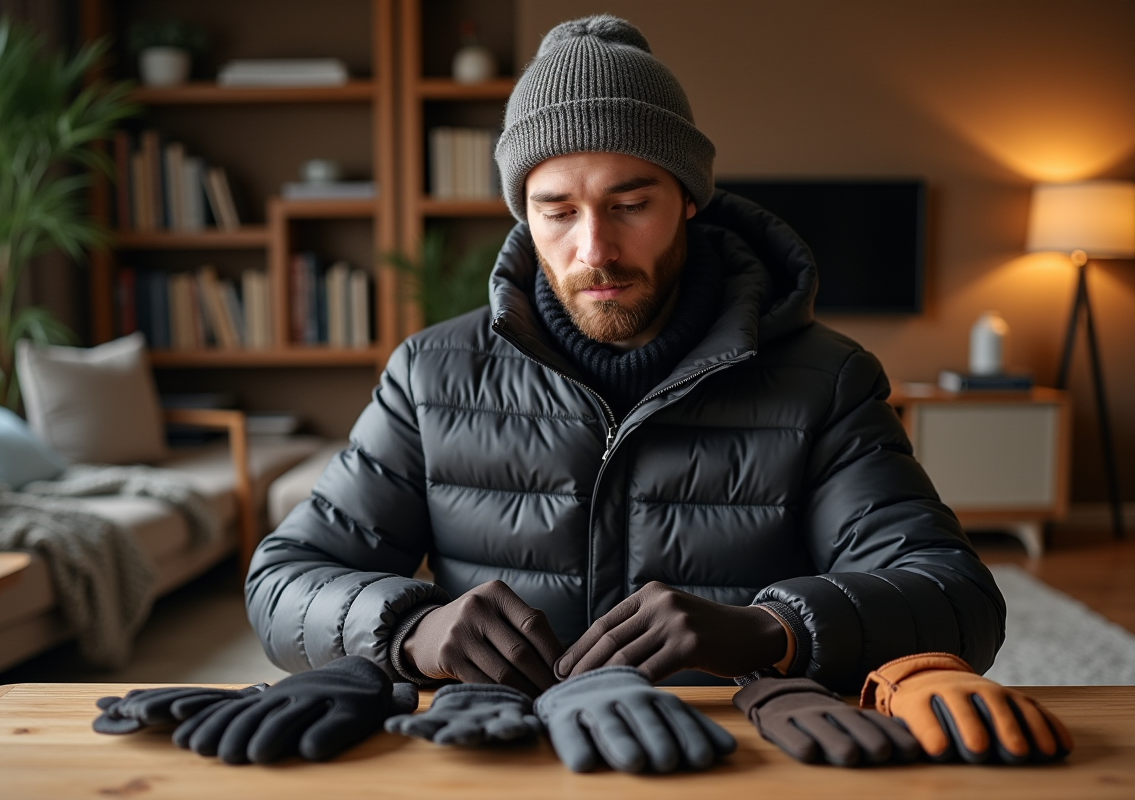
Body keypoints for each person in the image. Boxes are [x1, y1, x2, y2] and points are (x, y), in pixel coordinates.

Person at [245, 14, 1004, 696]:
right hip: (506, 758)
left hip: (732, 757)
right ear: (525, 215)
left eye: (630, 204)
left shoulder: (827, 382)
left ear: (690, 198)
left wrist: (771, 629)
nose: (595, 249)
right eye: (558, 211)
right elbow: (283, 582)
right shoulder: (429, 376)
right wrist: (411, 631)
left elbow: (957, 599)